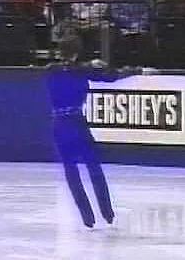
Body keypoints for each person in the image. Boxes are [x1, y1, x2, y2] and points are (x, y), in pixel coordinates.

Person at [44, 32, 140, 228]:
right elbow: (112, 76)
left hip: (59, 124)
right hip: (77, 123)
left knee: (71, 169)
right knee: (93, 166)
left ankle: (87, 217)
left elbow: (63, 68)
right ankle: (107, 213)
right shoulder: (82, 70)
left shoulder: (50, 70)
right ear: (77, 52)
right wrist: (134, 70)